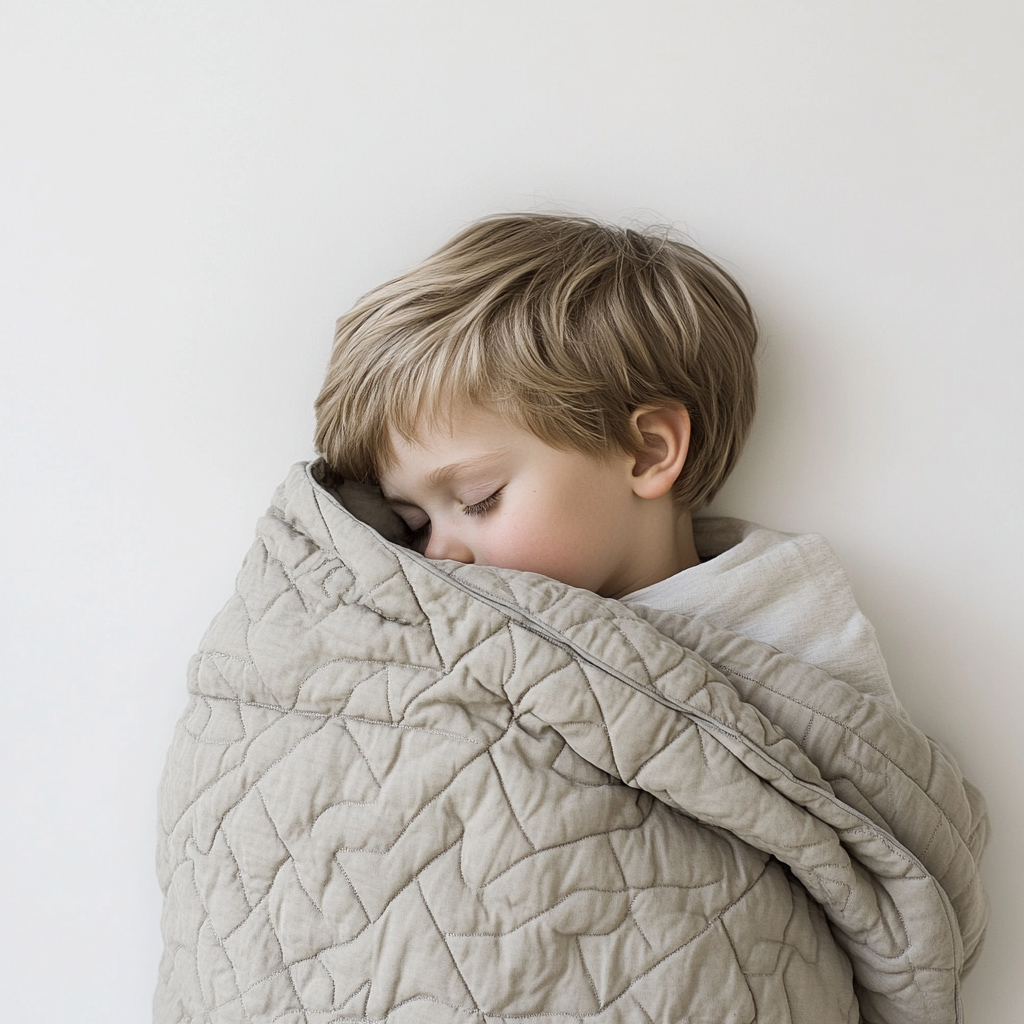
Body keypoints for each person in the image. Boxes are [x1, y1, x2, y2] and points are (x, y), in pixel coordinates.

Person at [155, 213, 986, 1024]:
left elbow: (876, 830)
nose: (440, 554)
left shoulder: (781, 625)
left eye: (477, 499)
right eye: (412, 525)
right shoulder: (419, 615)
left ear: (650, 451)